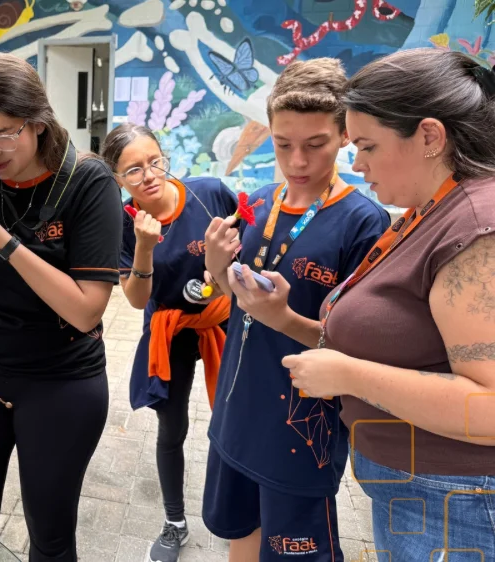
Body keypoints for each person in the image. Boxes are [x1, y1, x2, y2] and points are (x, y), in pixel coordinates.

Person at [284, 49, 495, 560]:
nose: (357, 164)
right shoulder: (431, 207)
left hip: (455, 502)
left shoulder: (474, 226)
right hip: (426, 492)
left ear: (428, 136)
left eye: (368, 146)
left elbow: (489, 406)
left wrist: (350, 376)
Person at [0, 52, 121, 561]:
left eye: (5, 133)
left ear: (38, 122)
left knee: (50, 537)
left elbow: (86, 311)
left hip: (60, 383)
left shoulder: (88, 182)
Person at [202, 58, 391, 562]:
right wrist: (218, 269)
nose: (298, 160)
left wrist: (285, 320)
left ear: (345, 135)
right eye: (283, 144)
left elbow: (356, 352)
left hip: (302, 431)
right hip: (235, 411)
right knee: (239, 534)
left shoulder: (363, 225)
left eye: (315, 144)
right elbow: (233, 304)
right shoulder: (256, 204)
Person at [102, 122, 236, 562]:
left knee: (235, 418)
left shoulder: (209, 193)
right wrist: (144, 246)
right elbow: (136, 298)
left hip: (222, 322)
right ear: (119, 180)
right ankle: (174, 522)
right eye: (134, 170)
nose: (150, 175)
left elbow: (247, 242)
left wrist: (223, 279)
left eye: (154, 161)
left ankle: (239, 509)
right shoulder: (123, 223)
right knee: (172, 427)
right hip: (169, 331)